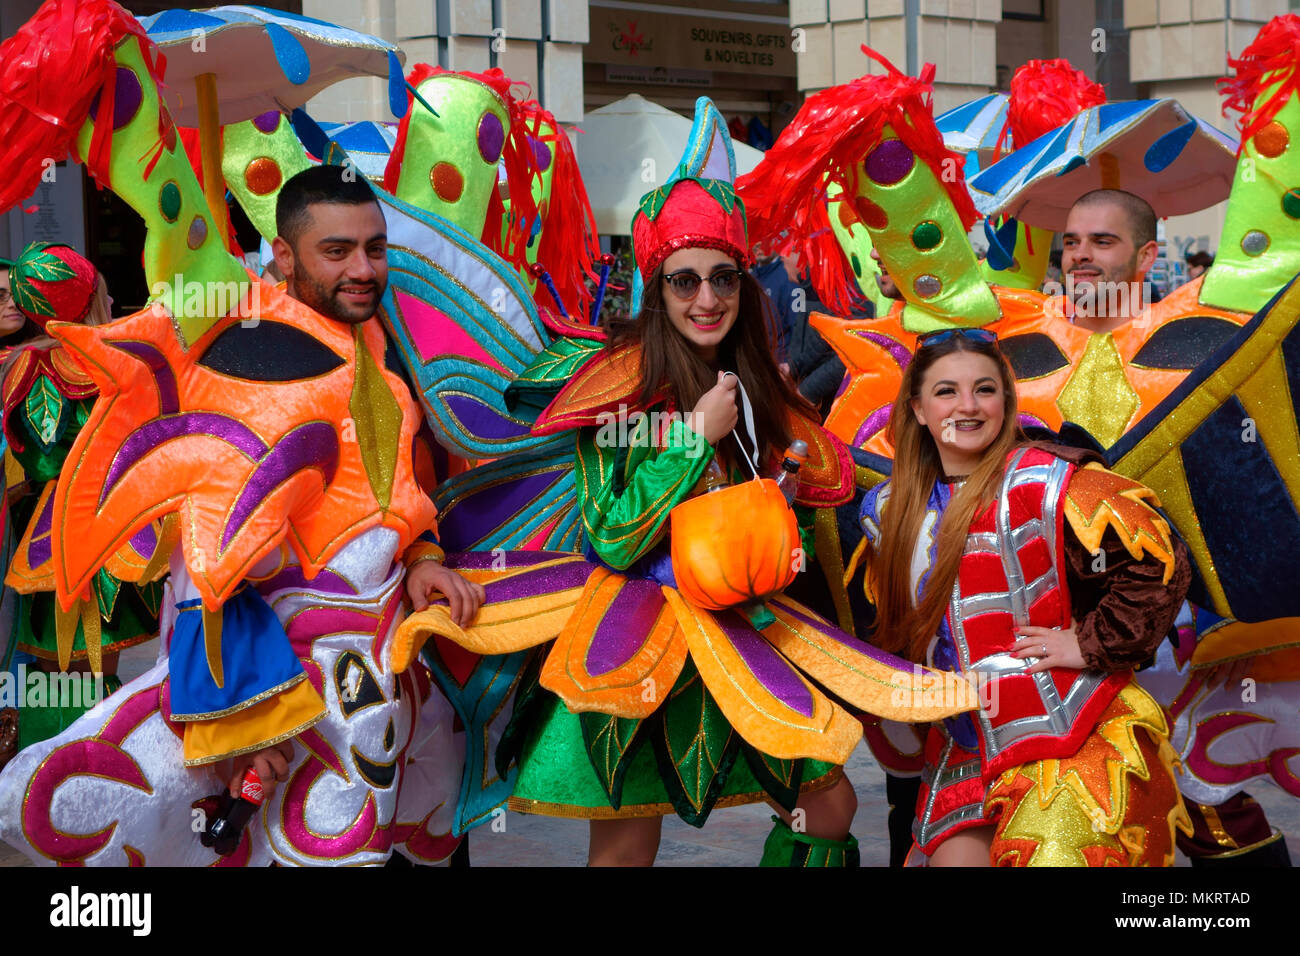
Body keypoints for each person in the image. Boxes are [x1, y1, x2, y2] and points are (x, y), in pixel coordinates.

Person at [855, 327, 1192, 865]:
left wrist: (1089, 642)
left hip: (1066, 733)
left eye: (984, 390)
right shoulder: (886, 508)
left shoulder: (1049, 479)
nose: (968, 406)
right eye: (947, 392)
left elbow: (1159, 557)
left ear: (1006, 403)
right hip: (964, 746)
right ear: (917, 409)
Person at [0, 243, 162, 749]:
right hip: (76, 531)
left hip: (96, 526)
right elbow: (44, 457)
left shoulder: (90, 359)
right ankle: (64, 772)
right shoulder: (42, 366)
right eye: (103, 296)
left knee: (76, 673)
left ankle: (79, 774)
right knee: (64, 671)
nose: (111, 306)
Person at [1057, 189, 1157, 331]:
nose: (1079, 255)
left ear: (1145, 257)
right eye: (1071, 243)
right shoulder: (1036, 338)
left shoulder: (1174, 344)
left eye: (1102, 242)